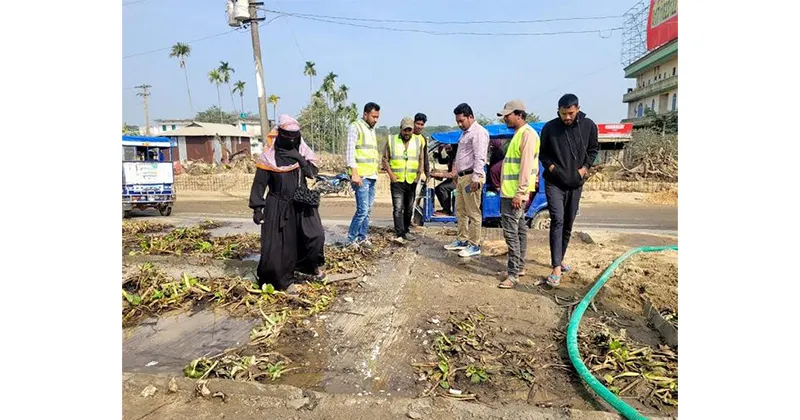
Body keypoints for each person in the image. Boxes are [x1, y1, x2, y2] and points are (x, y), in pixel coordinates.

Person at [249, 115, 326, 293]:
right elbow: (259, 184)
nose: (292, 140)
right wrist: (257, 208)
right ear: (280, 135)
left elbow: (312, 174)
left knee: (315, 236)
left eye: (295, 137)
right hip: (278, 205)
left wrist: (299, 158)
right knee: (283, 246)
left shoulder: (301, 150)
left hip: (301, 202)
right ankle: (283, 281)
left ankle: (307, 267)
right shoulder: (269, 157)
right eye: (288, 137)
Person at [539, 93, 599, 287]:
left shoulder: (589, 126)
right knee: (557, 220)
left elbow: (593, 151)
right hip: (554, 182)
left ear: (577, 109)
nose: (567, 117)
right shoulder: (550, 128)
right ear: (558, 110)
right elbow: (544, 155)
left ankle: (560, 258)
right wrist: (553, 169)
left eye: (570, 113)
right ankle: (556, 267)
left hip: (576, 183)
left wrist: (583, 170)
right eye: (563, 113)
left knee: (568, 223)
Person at [494, 100, 541, 289]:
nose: (505, 118)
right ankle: (519, 267)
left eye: (508, 115)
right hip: (512, 192)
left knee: (511, 233)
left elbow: (526, 166)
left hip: (514, 194)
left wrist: (520, 193)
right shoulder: (520, 134)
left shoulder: (527, 135)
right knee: (520, 230)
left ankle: (513, 274)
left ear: (519, 115)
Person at [442, 103, 490, 258]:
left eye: (462, 120)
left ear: (470, 117)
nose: (460, 124)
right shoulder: (465, 133)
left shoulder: (478, 133)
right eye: (458, 121)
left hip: (472, 177)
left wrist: (476, 178)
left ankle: (474, 244)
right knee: (460, 210)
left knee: (473, 212)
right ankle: (462, 240)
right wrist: (456, 174)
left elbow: (480, 157)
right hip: (463, 177)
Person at [345, 102, 381, 249]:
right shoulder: (355, 127)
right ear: (365, 114)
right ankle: (350, 239)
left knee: (368, 210)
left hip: (372, 175)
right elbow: (350, 151)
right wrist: (354, 173)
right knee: (362, 210)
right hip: (361, 176)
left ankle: (362, 237)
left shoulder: (371, 130)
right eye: (373, 116)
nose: (376, 120)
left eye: (377, 117)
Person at [383, 117, 424, 244]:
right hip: (397, 180)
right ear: (400, 129)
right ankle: (400, 233)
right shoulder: (391, 140)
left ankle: (406, 230)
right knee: (398, 208)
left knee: (409, 208)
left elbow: (421, 159)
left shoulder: (418, 141)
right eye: (405, 130)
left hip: (411, 181)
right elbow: (384, 159)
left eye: (409, 130)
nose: (407, 133)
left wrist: (419, 175)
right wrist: (391, 175)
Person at [430, 143, 456, 215]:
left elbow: (452, 174)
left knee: (442, 188)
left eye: (449, 149)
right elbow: (442, 161)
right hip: (453, 180)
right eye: (446, 149)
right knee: (440, 188)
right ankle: (446, 208)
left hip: (457, 180)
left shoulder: (456, 159)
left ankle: (446, 210)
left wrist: (437, 174)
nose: (447, 151)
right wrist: (439, 151)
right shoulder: (451, 157)